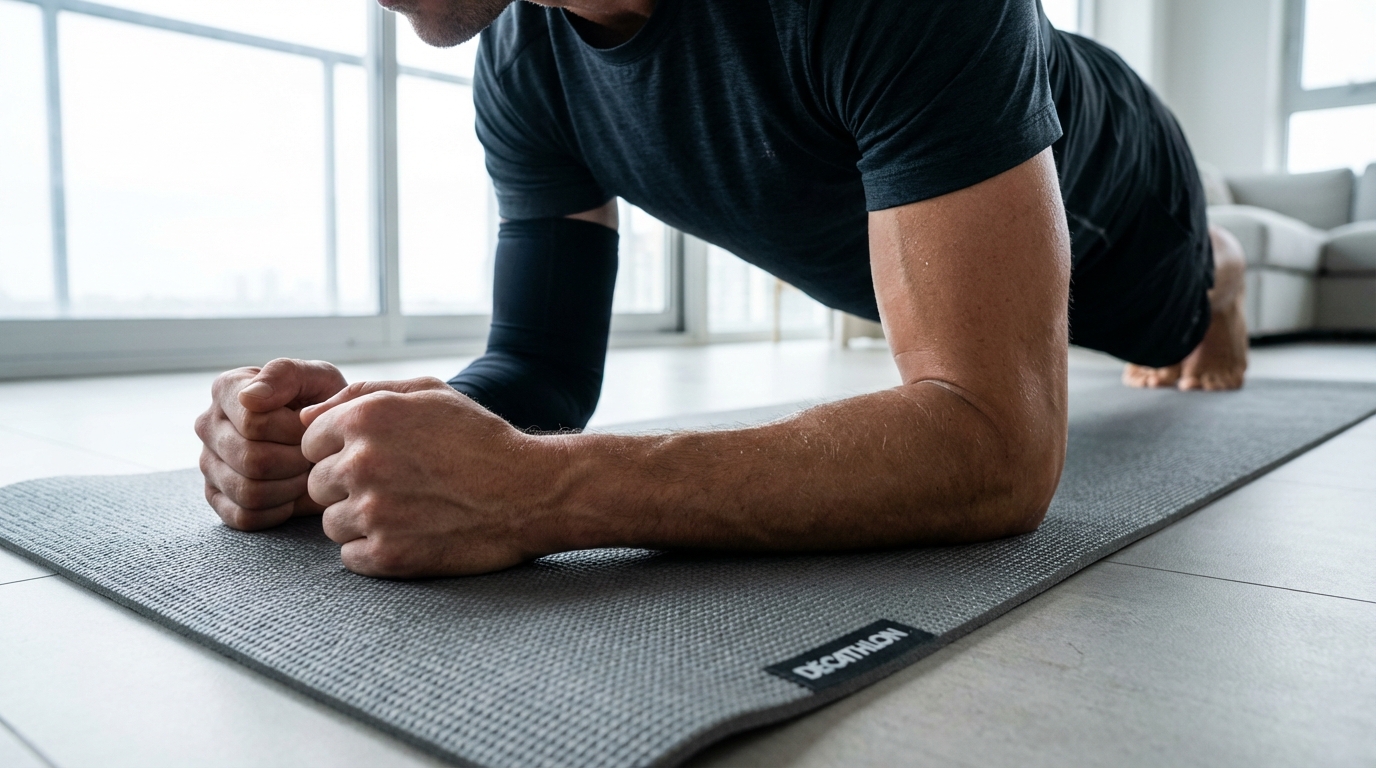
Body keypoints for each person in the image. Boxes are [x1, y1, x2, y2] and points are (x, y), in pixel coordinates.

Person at [194, 0, 1249, 578]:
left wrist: (536, 492)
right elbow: (539, 368)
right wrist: (357, 432)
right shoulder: (522, 62)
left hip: (1123, 204)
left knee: (1173, 323)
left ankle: (1223, 266)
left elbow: (994, 451)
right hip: (878, 238)